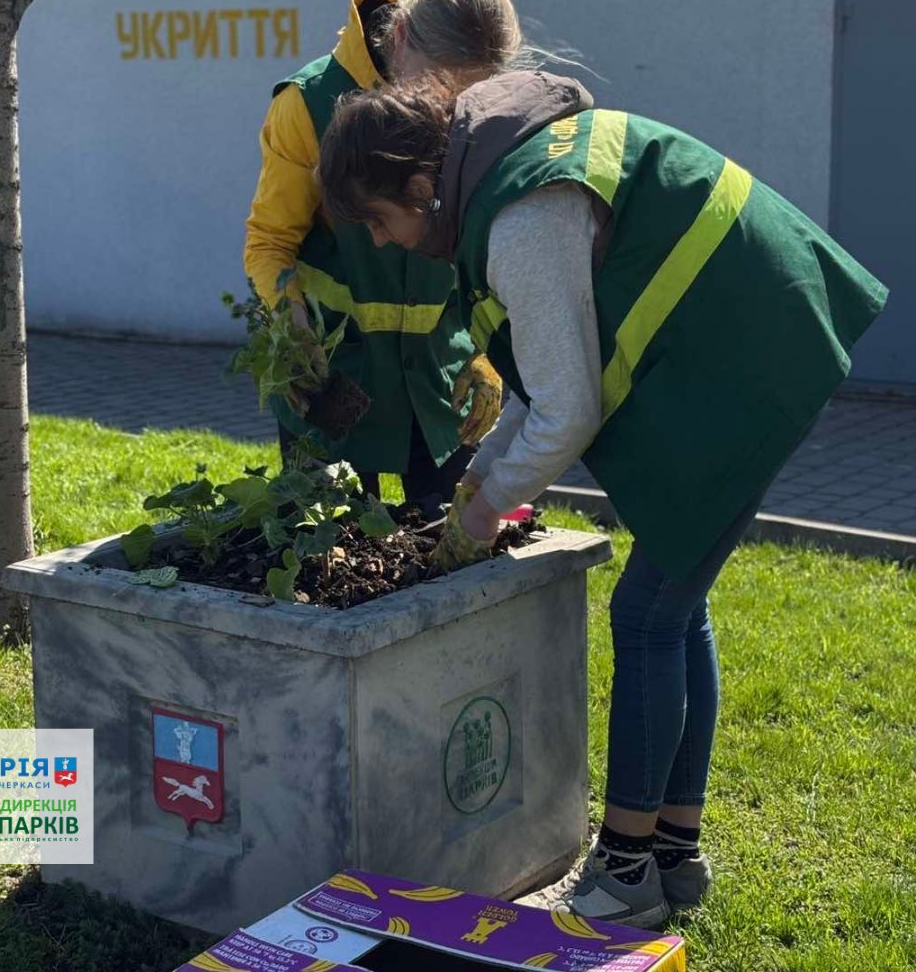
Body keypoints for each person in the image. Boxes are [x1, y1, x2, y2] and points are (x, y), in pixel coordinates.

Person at [316, 70, 888, 926]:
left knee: (648, 614)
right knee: (674, 608)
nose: (384, 241)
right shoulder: (507, 177)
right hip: (751, 340)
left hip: (752, 359)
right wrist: (484, 472)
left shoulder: (518, 219)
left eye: (378, 220)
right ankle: (673, 853)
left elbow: (568, 411)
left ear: (423, 185)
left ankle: (624, 873)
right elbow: (540, 383)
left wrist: (486, 509)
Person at [243, 0, 522, 510]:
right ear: (399, 37)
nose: (455, 105)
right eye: (442, 83)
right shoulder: (308, 104)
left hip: (443, 376)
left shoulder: (482, 107)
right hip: (333, 375)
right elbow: (270, 242)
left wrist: (487, 354)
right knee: (323, 539)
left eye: (473, 91)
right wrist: (291, 330)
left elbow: (490, 242)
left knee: (456, 536)